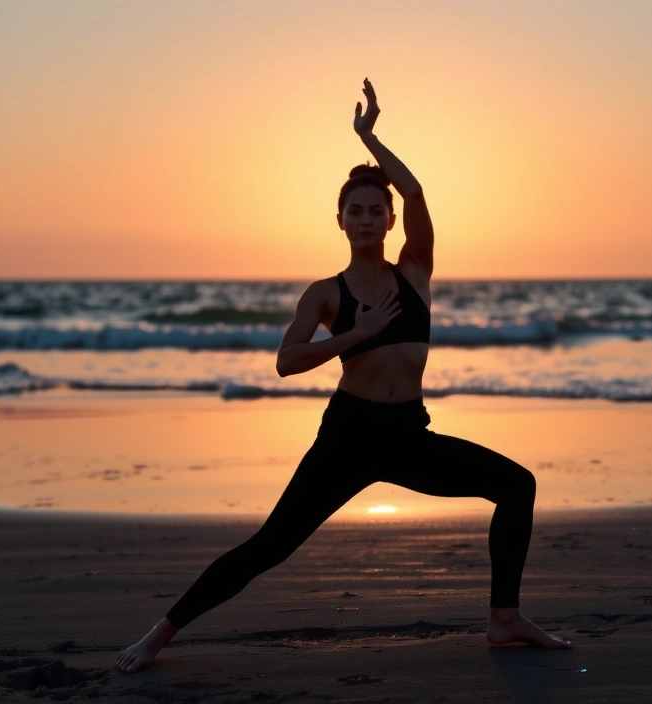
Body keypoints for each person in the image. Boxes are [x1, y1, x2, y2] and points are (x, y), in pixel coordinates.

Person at [116, 78, 572, 673]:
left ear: (387, 221)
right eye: (354, 211)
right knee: (268, 547)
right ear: (340, 220)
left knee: (517, 486)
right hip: (347, 438)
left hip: (410, 435)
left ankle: (504, 618)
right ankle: (159, 635)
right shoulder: (326, 293)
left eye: (374, 211)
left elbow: (416, 190)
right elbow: (285, 360)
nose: (366, 218)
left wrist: (370, 138)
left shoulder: (416, 271)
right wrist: (354, 336)